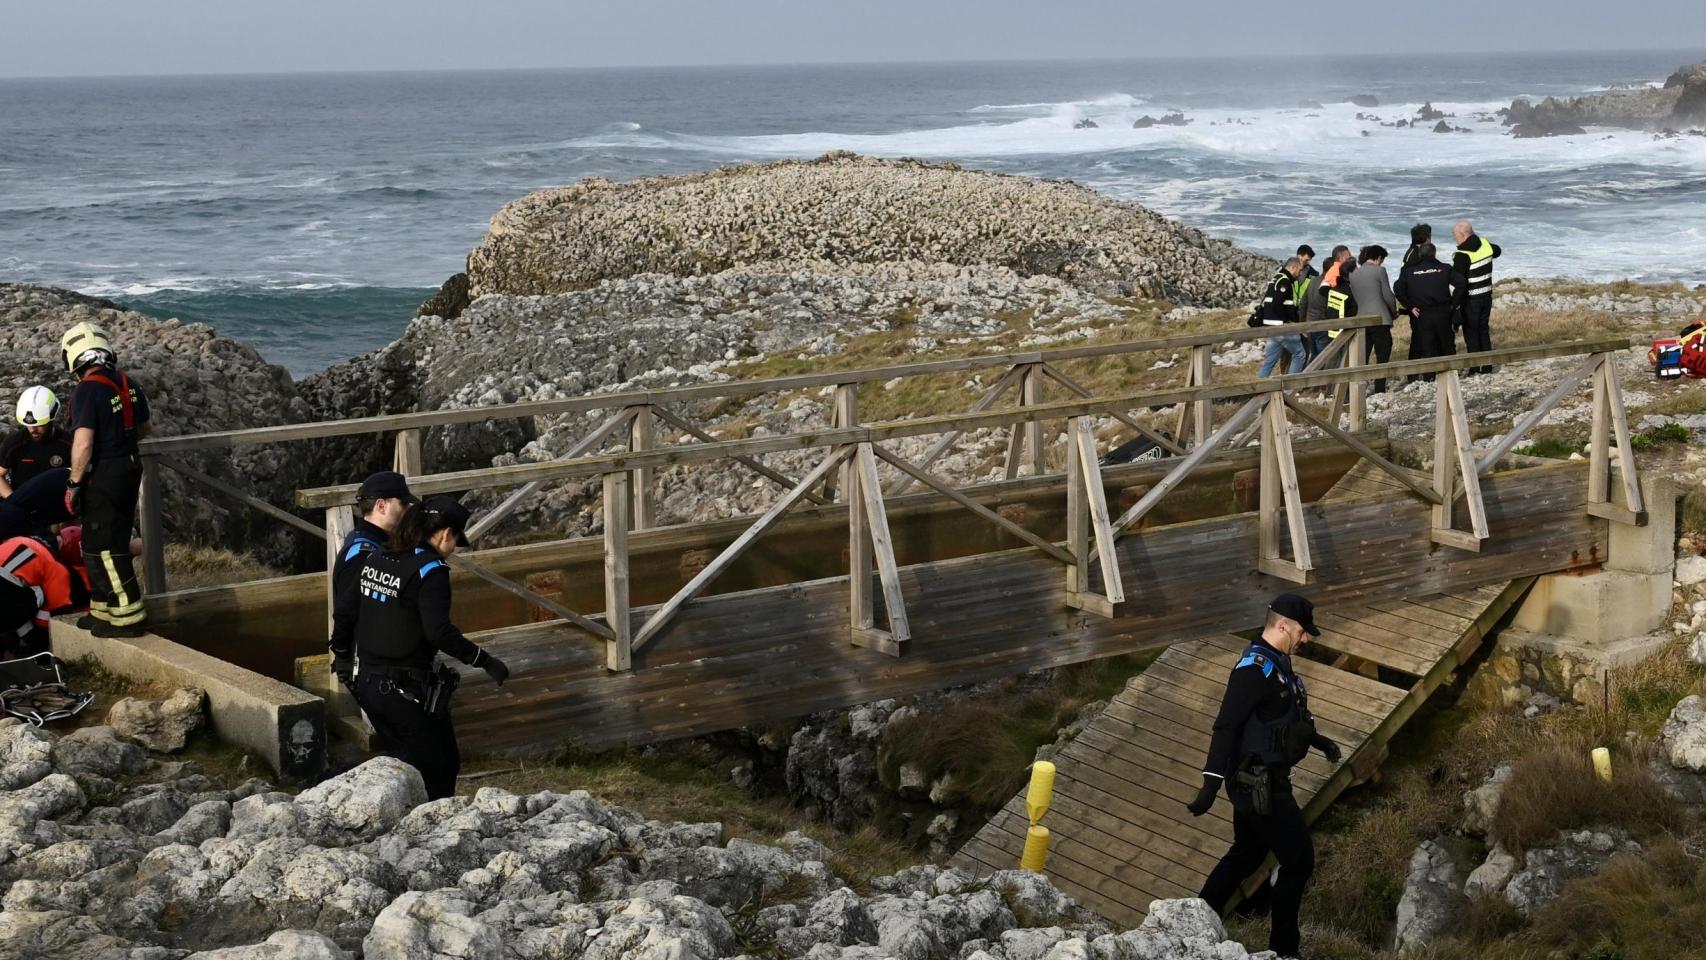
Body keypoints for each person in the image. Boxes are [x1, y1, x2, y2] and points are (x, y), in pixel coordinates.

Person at [1187, 594, 1340, 960]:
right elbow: (1226, 726)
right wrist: (1210, 784)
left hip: (1264, 781)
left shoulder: (1278, 663)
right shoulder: (1253, 671)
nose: (1306, 639)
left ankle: (1193, 922)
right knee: (1299, 860)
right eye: (1302, 632)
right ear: (1282, 625)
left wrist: (1319, 741)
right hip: (1260, 785)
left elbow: (1281, 718)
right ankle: (1284, 950)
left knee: (1247, 852)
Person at [349, 494, 512, 799]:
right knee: (441, 765)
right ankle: (434, 824)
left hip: (368, 684)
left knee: (404, 765)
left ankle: (404, 819)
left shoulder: (378, 556)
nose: (453, 549)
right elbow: (439, 633)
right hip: (403, 690)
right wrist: (484, 660)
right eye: (456, 541)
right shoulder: (431, 570)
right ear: (446, 534)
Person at [60, 322, 152, 637]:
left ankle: (128, 618)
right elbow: (145, 427)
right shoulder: (128, 382)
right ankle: (102, 610)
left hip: (104, 475)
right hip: (129, 468)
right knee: (95, 542)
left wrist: (73, 484)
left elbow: (83, 443)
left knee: (105, 548)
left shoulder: (86, 390)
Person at [329, 470, 419, 690]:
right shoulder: (363, 554)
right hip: (375, 671)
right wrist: (342, 654)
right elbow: (346, 612)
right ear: (381, 506)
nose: (408, 509)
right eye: (403, 504)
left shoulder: (371, 542)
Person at [0, 534, 74, 655]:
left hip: (8, 594)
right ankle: (31, 642)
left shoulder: (18, 538)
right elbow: (59, 606)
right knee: (43, 593)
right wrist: (40, 638)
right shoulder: (56, 566)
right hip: (7, 600)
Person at [1394, 243, 1456, 381]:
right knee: (1446, 343)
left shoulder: (1409, 271)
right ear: (1434, 253)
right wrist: (1453, 302)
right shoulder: (1445, 268)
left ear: (1420, 254)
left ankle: (1429, 378)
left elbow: (1398, 290)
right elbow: (1461, 283)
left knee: (1426, 345)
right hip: (1443, 311)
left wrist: (1410, 306)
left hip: (1421, 313)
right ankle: (1450, 375)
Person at [1, 387, 72, 500]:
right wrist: (13, 500)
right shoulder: (14, 443)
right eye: (28, 425)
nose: (32, 429)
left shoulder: (67, 443)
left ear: (50, 418)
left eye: (39, 424)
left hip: (56, 503)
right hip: (22, 503)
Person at [1451, 220, 1502, 374]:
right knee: (1483, 330)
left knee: (1471, 333)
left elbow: (1459, 283)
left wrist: (1454, 304)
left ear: (1463, 235)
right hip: (1486, 297)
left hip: (1471, 300)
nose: (1454, 238)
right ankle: (1487, 366)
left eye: (1455, 235)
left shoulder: (1462, 255)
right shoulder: (1485, 244)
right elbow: (1498, 251)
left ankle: (1474, 367)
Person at [1347, 246, 1399, 392]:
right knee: (1382, 353)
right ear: (1378, 258)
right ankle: (1379, 388)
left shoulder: (1353, 273)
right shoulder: (1379, 271)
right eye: (1382, 260)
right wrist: (1393, 312)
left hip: (1361, 319)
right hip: (1380, 319)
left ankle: (1357, 388)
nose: (1382, 263)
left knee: (1363, 355)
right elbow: (1387, 295)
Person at [1257, 257, 1307, 378]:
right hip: (1281, 327)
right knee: (1300, 355)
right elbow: (1278, 305)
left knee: (1270, 361)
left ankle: (1260, 384)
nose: (1300, 274)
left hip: (1271, 326)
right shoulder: (1285, 281)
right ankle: (1290, 385)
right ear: (1293, 267)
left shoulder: (1276, 278)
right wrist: (1290, 321)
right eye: (1300, 270)